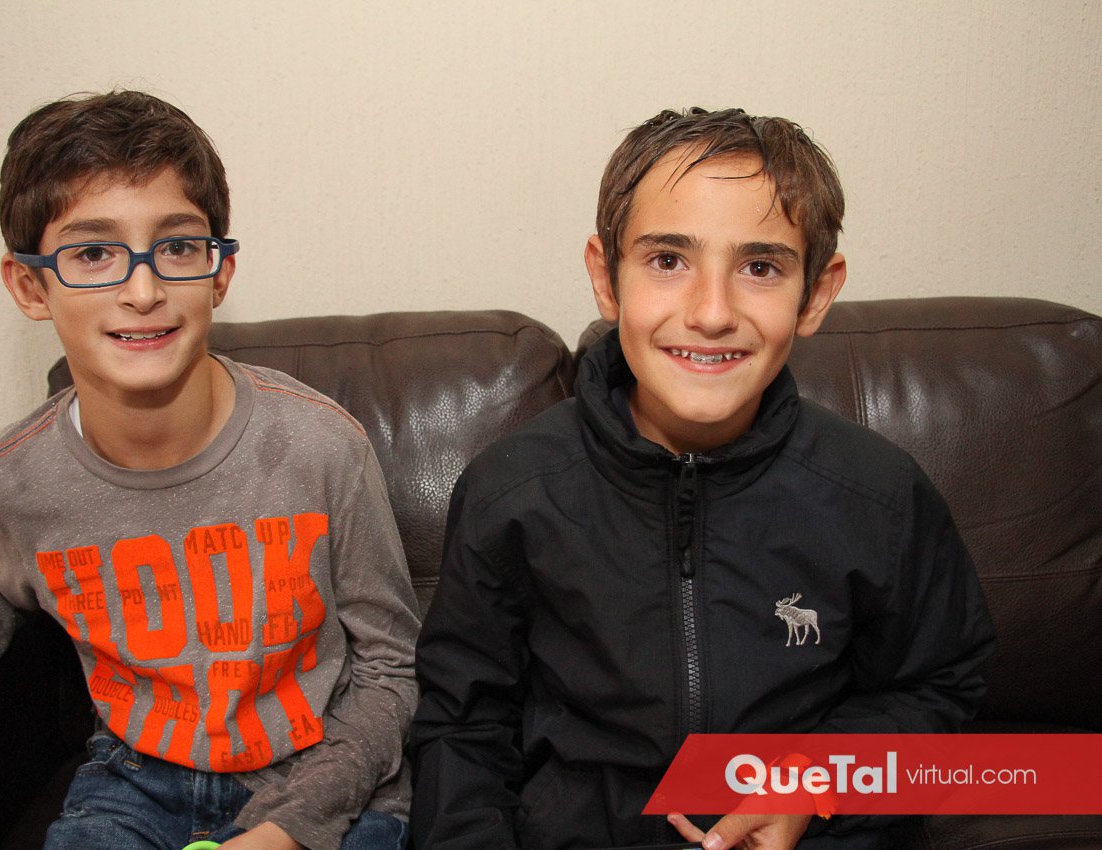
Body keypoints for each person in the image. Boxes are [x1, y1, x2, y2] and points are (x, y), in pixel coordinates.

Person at [0, 90, 420, 850]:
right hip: (136, 778)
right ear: (30, 286)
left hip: (323, 778)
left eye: (177, 247)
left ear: (219, 272)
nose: (143, 291)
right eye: (92, 254)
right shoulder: (18, 478)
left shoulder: (321, 446)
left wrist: (290, 828)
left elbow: (391, 668)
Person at [408, 107, 994, 850]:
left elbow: (940, 689)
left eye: (760, 268)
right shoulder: (512, 492)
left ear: (815, 294)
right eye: (667, 261)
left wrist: (817, 785)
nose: (711, 313)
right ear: (606, 278)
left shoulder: (880, 496)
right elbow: (462, 729)